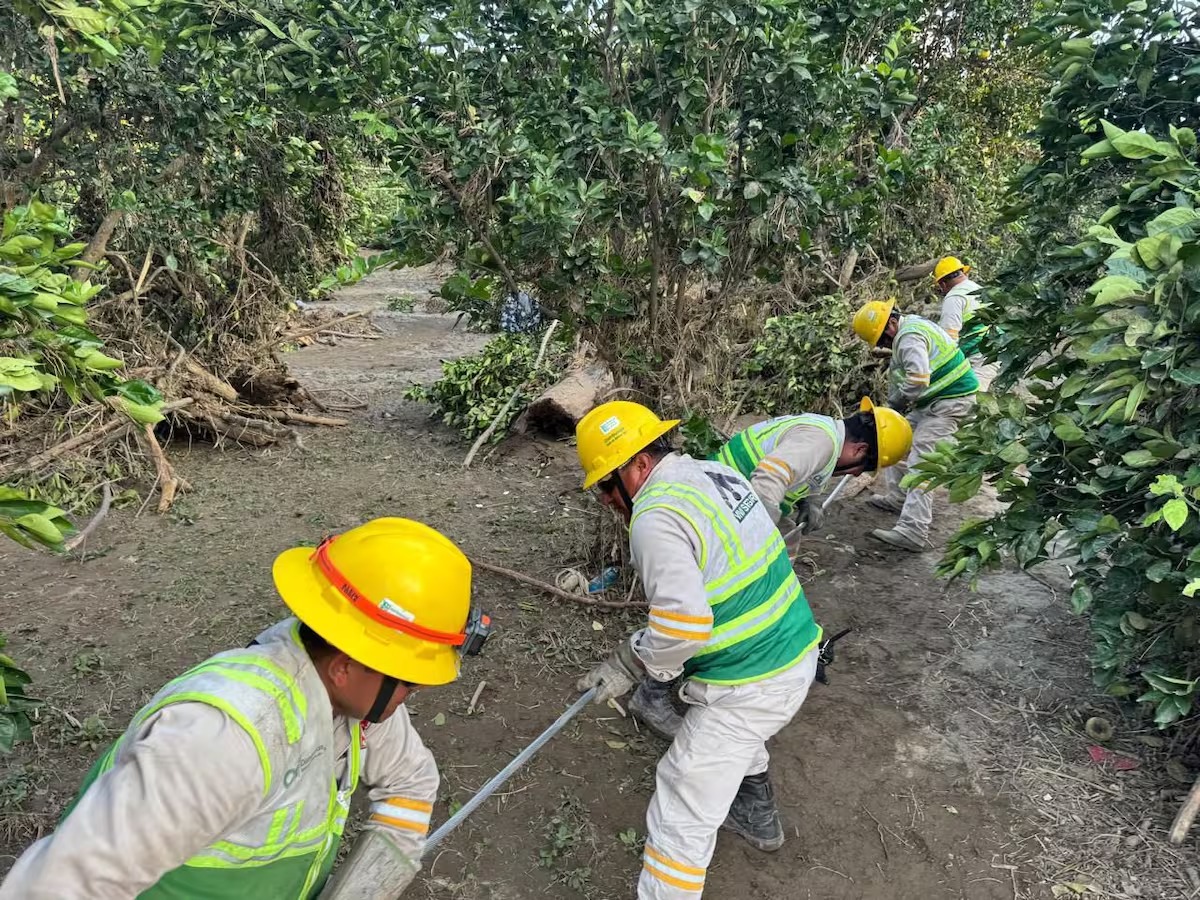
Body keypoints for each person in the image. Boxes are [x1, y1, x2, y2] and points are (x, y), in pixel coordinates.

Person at [0, 518, 492, 900]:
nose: (414, 693)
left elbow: (411, 781)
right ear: (346, 664)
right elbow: (64, 884)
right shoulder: (221, 740)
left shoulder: (356, 695)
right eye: (408, 679)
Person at [574, 401, 822, 899]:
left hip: (755, 678)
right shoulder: (711, 472)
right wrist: (643, 654)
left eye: (605, 483)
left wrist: (640, 664)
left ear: (637, 464)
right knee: (725, 734)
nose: (605, 498)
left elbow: (683, 625)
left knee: (681, 801)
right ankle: (757, 816)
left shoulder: (654, 515)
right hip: (794, 650)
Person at [852, 298, 978, 552]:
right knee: (899, 443)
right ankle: (898, 497)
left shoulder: (908, 337)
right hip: (935, 401)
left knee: (922, 460)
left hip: (951, 403)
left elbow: (919, 378)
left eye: (882, 342)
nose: (884, 346)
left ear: (889, 328)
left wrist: (897, 401)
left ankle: (914, 530)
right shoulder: (913, 325)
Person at [712, 397, 913, 536]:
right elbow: (769, 477)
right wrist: (759, 533)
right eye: (863, 468)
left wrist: (808, 501)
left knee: (785, 542)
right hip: (721, 496)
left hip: (734, 491)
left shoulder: (828, 435)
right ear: (860, 450)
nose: (856, 473)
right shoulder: (820, 441)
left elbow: (801, 468)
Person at [934, 256, 997, 391]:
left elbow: (949, 339)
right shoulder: (980, 289)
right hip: (994, 351)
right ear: (964, 273)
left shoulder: (954, 298)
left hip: (978, 357)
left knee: (971, 399)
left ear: (943, 284)